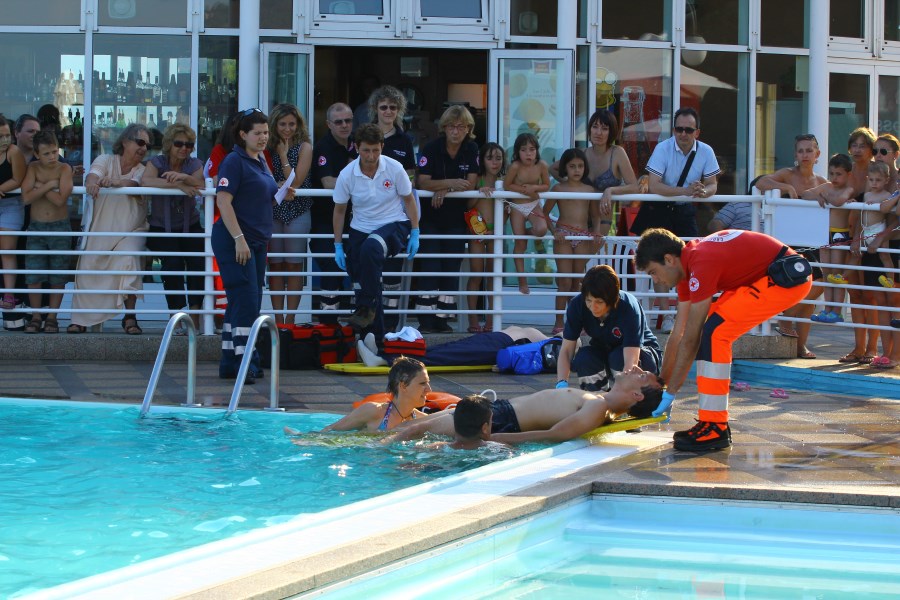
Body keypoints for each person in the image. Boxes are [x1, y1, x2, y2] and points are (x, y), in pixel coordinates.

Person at [634, 228, 812, 452]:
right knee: (710, 330)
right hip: (762, 278)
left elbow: (691, 337)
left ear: (668, 259)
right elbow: (679, 333)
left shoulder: (701, 261)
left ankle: (715, 427)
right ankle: (710, 423)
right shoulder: (687, 269)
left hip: (786, 277)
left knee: (715, 333)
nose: (656, 280)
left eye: (653, 272)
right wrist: (663, 383)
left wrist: (671, 394)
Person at [391, 366, 664, 444]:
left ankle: (368, 445)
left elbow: (553, 434)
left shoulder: (597, 408)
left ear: (637, 396)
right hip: (501, 412)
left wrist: (494, 437)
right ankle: (371, 438)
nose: (635, 368)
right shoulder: (598, 399)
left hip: (501, 420)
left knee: (413, 430)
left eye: (642, 376)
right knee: (412, 427)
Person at [638, 107, 721, 334]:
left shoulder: (706, 151)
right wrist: (685, 191)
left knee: (691, 260)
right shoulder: (663, 148)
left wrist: (703, 192)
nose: (683, 134)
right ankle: (666, 316)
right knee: (658, 260)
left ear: (697, 132)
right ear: (674, 130)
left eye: (688, 129)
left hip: (684, 211)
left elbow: (713, 184)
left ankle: (686, 314)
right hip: (659, 210)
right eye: (679, 129)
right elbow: (654, 185)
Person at [332, 124, 419, 338]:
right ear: (356, 148)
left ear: (382, 146)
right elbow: (340, 211)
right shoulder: (347, 174)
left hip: (394, 224)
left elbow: (409, 200)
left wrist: (415, 231)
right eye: (365, 150)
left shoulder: (395, 167)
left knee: (371, 247)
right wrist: (338, 244)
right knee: (362, 279)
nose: (371, 156)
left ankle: (364, 308)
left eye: (375, 150)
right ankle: (375, 339)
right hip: (360, 228)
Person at [212, 108, 277, 384]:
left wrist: (282, 189)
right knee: (246, 301)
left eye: (265, 132)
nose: (263, 138)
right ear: (242, 135)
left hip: (257, 241)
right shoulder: (233, 161)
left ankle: (230, 361)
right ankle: (243, 361)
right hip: (237, 240)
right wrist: (239, 239)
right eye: (257, 133)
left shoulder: (259, 160)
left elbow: (262, 195)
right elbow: (223, 200)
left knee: (242, 301)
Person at [68, 123, 150, 334]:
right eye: (140, 142)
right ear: (125, 142)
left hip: (132, 229)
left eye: (147, 146)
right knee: (88, 264)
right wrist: (93, 183)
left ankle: (130, 317)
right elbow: (93, 174)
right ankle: (81, 320)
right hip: (101, 227)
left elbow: (135, 185)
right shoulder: (105, 159)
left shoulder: (144, 169)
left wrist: (116, 182)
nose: (143, 149)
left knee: (129, 258)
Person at [754, 134, 829, 358]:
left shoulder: (822, 181)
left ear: (817, 154)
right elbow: (760, 182)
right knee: (806, 289)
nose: (804, 155)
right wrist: (785, 187)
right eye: (801, 151)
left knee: (817, 287)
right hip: (788, 242)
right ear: (795, 154)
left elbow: (839, 195)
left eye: (809, 150)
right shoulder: (788, 173)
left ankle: (795, 336)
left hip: (811, 242)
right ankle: (790, 331)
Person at [414, 105, 479, 333]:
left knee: (451, 267)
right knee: (431, 265)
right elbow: (422, 182)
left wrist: (443, 188)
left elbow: (470, 183)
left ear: (468, 128)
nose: (456, 130)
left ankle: (443, 318)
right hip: (430, 218)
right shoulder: (431, 148)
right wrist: (451, 183)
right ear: (444, 127)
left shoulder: (471, 149)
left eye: (461, 126)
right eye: (452, 125)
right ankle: (425, 318)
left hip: (455, 219)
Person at [140, 123, 206, 332]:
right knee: (173, 264)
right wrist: (177, 185)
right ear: (169, 144)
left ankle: (194, 318)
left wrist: (185, 178)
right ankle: (176, 317)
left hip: (190, 226)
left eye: (189, 144)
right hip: (161, 228)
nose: (184, 148)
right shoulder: (156, 162)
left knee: (198, 266)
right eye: (179, 144)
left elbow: (202, 183)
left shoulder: (194, 163)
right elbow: (145, 181)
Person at [555, 264, 660, 393]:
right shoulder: (577, 305)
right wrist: (561, 384)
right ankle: (595, 398)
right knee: (584, 357)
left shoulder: (628, 307)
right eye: (589, 300)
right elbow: (566, 350)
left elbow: (630, 361)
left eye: (599, 302)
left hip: (639, 354)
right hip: (605, 349)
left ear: (612, 299)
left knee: (617, 357)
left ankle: (629, 399)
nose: (593, 307)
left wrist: (619, 396)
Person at [366, 85, 418, 328]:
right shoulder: (363, 134)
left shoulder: (404, 140)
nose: (388, 111)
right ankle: (369, 325)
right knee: (367, 273)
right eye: (383, 106)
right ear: (375, 109)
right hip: (365, 215)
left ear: (399, 111)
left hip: (394, 215)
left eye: (393, 107)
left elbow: (410, 176)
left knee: (393, 276)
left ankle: (390, 327)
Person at [549, 109, 640, 234]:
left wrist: (610, 190)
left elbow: (634, 187)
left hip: (603, 219)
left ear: (611, 131)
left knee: (588, 252)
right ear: (590, 129)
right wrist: (571, 185)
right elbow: (553, 168)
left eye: (604, 128)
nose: (599, 132)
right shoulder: (582, 154)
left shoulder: (617, 153)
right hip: (578, 218)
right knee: (576, 253)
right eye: (595, 127)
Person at [286, 357, 430, 433]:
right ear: (403, 385)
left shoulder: (424, 420)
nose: (428, 389)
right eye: (423, 383)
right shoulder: (374, 411)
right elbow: (331, 431)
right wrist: (303, 439)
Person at [20, 130, 73, 333]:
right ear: (36, 154)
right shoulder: (32, 168)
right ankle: (35, 315)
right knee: (34, 273)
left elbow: (61, 200)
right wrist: (51, 185)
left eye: (54, 151)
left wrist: (41, 187)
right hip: (36, 226)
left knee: (58, 274)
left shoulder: (64, 168)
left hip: (60, 226)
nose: (52, 157)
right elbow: (25, 198)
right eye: (46, 153)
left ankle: (52, 317)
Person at [265, 103, 313, 325]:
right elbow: (265, 179)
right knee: (275, 264)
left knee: (294, 264)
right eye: (283, 124)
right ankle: (278, 318)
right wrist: (279, 185)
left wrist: (284, 157)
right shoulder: (265, 145)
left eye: (292, 124)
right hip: (273, 208)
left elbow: (296, 182)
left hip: (297, 209)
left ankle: (290, 320)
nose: (287, 128)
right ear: (274, 125)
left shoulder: (305, 147)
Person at [848, 161, 899, 367]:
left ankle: (895, 356)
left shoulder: (891, 195)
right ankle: (887, 353)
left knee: (895, 303)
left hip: (891, 247)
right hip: (875, 244)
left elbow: (893, 215)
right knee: (881, 301)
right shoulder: (883, 194)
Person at [310, 102, 357, 323]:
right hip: (325, 221)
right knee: (331, 268)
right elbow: (328, 183)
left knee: (359, 268)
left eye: (348, 120)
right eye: (338, 122)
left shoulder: (359, 144)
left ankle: (360, 322)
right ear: (329, 124)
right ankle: (328, 324)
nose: (344, 125)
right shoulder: (322, 147)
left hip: (355, 221)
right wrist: (360, 182)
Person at [543, 148, 599, 334]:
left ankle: (577, 321)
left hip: (582, 236)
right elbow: (545, 213)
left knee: (577, 282)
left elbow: (595, 216)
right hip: (563, 236)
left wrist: (596, 233)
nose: (577, 170)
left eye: (580, 166)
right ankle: (559, 322)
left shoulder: (589, 190)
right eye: (572, 166)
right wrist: (554, 232)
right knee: (564, 281)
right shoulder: (558, 188)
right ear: (565, 168)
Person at [841, 127, 880, 363]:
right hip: (846, 238)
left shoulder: (878, 173)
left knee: (870, 296)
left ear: (871, 149)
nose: (857, 149)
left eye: (862, 145)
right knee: (854, 293)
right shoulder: (845, 171)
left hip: (869, 240)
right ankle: (857, 348)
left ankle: (872, 348)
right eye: (854, 145)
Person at [801, 153, 854, 327]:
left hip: (840, 234)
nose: (834, 178)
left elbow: (839, 201)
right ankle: (828, 309)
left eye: (839, 174)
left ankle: (837, 311)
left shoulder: (849, 189)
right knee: (827, 273)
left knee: (837, 275)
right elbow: (805, 194)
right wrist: (818, 196)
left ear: (848, 174)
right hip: (825, 234)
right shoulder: (827, 186)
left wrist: (824, 196)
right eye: (831, 173)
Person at [356, 325, 548, 367]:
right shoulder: (554, 341)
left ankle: (382, 360)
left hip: (502, 346)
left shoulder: (559, 345)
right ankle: (383, 353)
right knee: (444, 349)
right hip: (497, 339)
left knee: (447, 355)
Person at [503, 132, 550, 294]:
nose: (528, 153)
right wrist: (524, 190)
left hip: (533, 204)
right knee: (520, 244)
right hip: (517, 207)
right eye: (524, 150)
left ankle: (524, 233)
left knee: (542, 229)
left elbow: (546, 185)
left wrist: (534, 189)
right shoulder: (515, 166)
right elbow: (507, 185)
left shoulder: (542, 165)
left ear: (537, 150)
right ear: (517, 152)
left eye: (532, 149)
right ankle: (522, 282)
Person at [466, 142, 506, 332]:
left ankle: (491, 322)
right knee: (476, 274)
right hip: (476, 233)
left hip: (495, 233)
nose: (494, 162)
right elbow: (467, 204)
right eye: (489, 158)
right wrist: (478, 192)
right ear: (482, 160)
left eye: (498, 158)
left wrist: (497, 230)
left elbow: (507, 209)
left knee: (492, 276)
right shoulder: (478, 178)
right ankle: (473, 321)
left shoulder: (505, 181)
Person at [0, 114, 27, 309]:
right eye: (0, 136)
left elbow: (18, 179)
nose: (5, 140)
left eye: (7, 135)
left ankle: (9, 295)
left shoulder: (13, 151)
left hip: (11, 205)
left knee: (7, 251)